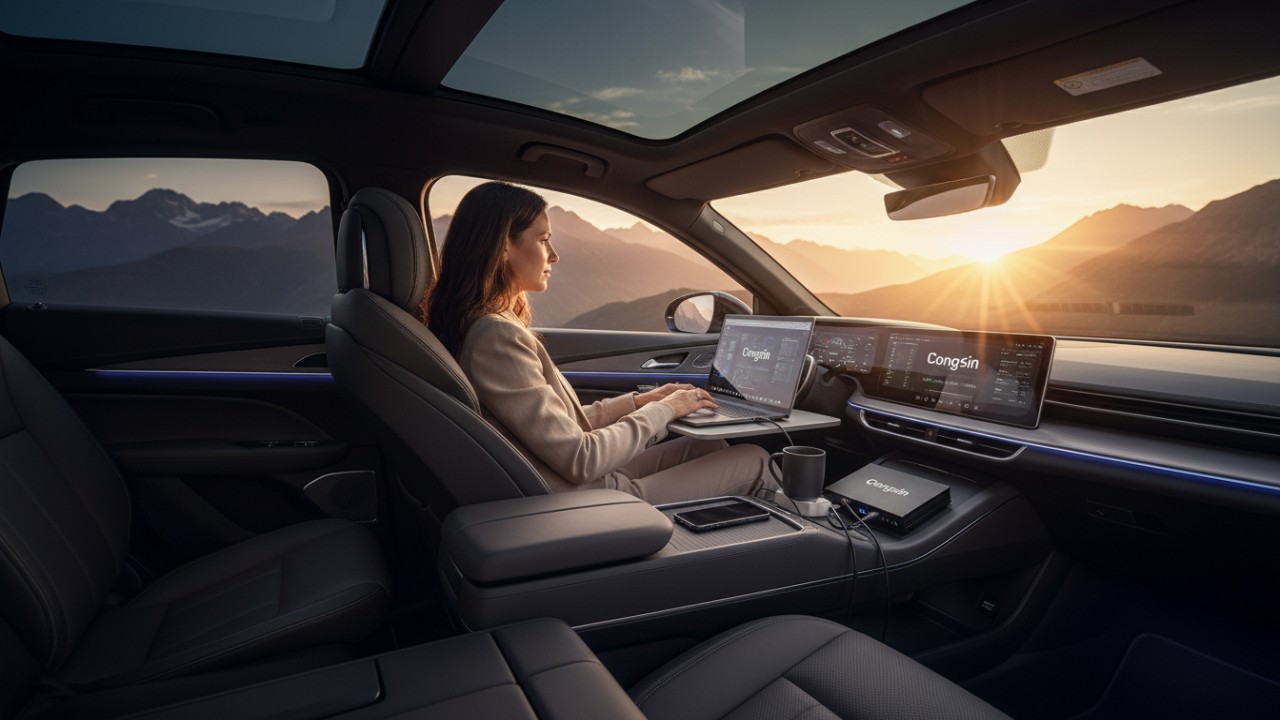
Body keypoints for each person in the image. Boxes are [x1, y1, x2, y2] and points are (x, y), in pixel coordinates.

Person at [422, 181, 776, 504]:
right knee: (756, 460)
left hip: (564, 479)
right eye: (543, 240)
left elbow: (559, 427)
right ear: (503, 246)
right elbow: (581, 459)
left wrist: (640, 401)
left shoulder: (482, 325)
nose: (554, 255)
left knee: (707, 446)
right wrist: (666, 410)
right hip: (580, 499)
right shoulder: (495, 336)